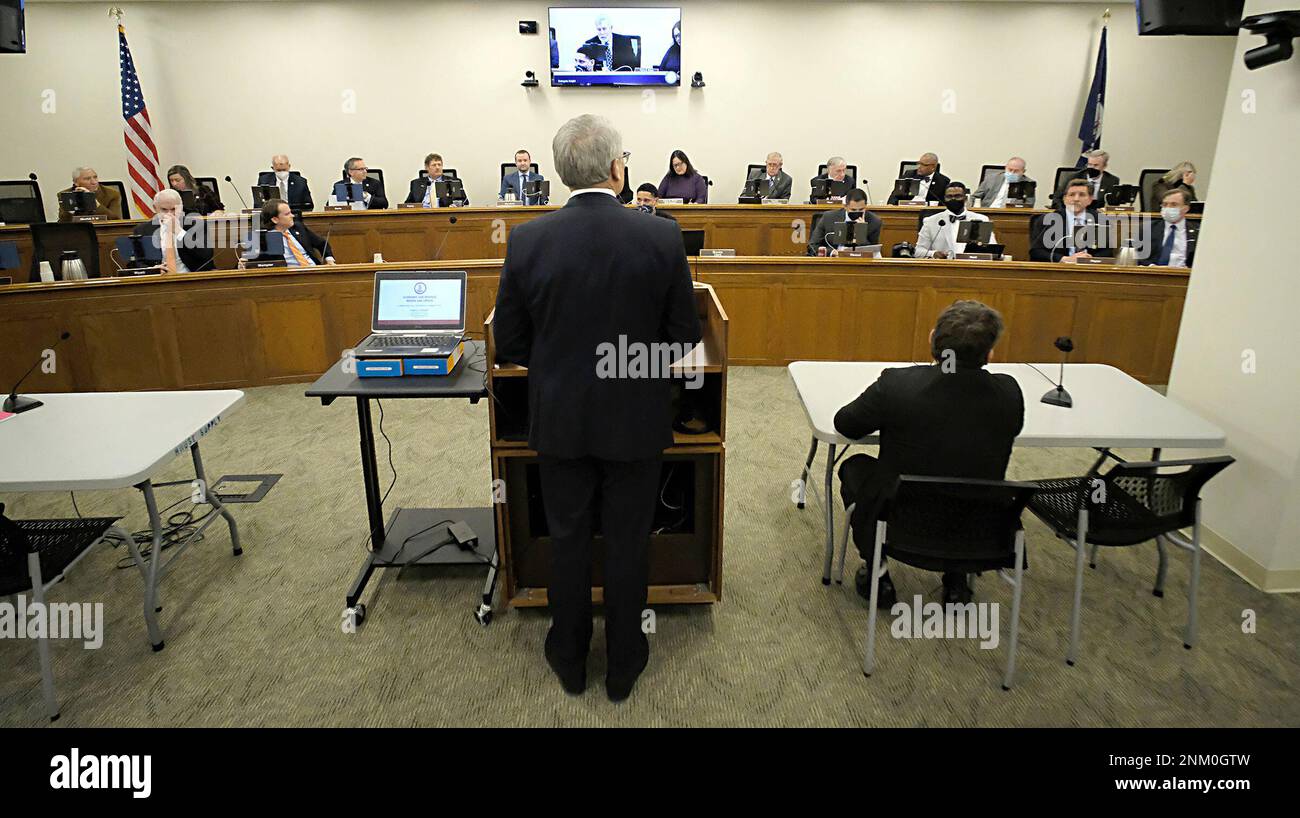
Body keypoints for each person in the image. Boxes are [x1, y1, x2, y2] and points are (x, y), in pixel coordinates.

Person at [492, 114, 700, 701]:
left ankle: (569, 654)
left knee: (568, 536)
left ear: (560, 173)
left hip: (560, 417)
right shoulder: (660, 235)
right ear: (617, 169)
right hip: (635, 417)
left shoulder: (528, 239)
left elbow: (510, 343)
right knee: (630, 539)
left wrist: (564, 368)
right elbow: (682, 339)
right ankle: (626, 660)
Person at [834, 300, 1024, 606]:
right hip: (977, 523)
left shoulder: (898, 384)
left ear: (932, 338)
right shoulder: (1009, 392)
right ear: (990, 353)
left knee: (854, 466)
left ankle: (878, 574)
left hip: (900, 519)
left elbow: (846, 424)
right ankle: (957, 580)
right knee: (961, 473)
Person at [1030, 178, 1115, 262]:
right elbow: (1036, 252)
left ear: (1090, 200)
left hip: (1089, 269)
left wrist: (1089, 258)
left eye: (1081, 195)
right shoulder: (1048, 220)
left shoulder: (1101, 220)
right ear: (1064, 199)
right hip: (1058, 270)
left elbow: (1107, 252)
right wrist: (1064, 259)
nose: (1076, 199)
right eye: (1072, 195)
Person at [130, 189, 213, 273]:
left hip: (192, 278)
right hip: (158, 280)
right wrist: (152, 270)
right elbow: (136, 261)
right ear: (155, 208)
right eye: (164, 210)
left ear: (181, 207)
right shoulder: (142, 230)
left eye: (174, 209)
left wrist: (179, 231)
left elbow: (206, 255)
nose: (170, 214)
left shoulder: (197, 225)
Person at [242, 199, 335, 268]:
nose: (292, 216)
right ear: (275, 219)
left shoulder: (298, 227)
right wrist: (242, 264)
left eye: (290, 212)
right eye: (287, 214)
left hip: (314, 270)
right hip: (289, 278)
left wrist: (329, 259)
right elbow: (250, 263)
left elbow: (322, 243)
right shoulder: (262, 238)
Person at [915, 182, 995, 258]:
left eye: (957, 196)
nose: (953, 199)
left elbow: (993, 249)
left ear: (965, 198)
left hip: (973, 266)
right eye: (949, 197)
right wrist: (933, 253)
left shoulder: (981, 219)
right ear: (944, 199)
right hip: (945, 267)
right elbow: (918, 252)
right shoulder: (930, 221)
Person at [808, 188, 881, 256]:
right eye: (853, 210)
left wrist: (861, 233)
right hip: (833, 261)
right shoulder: (828, 217)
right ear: (845, 206)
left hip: (859, 263)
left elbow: (872, 253)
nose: (857, 212)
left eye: (861, 209)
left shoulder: (874, 222)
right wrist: (832, 252)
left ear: (865, 206)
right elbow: (812, 245)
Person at [1141, 188, 1199, 268]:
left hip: (1184, 276)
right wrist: (1152, 267)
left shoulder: (1198, 232)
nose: (1168, 208)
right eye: (1165, 204)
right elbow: (1139, 257)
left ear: (1186, 208)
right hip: (1153, 274)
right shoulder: (1148, 229)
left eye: (1174, 204)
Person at [57, 167, 122, 222]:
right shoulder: (65, 195)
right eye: (87, 179)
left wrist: (94, 202)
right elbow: (63, 222)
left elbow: (116, 219)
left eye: (95, 177)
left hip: (105, 231)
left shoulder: (112, 194)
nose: (94, 182)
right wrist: (71, 207)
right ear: (76, 182)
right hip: (78, 232)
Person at [1055, 149, 1119, 204]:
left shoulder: (1112, 180)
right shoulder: (1074, 177)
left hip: (1100, 215)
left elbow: (1113, 203)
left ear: (1104, 166)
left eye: (1096, 165)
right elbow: (1057, 198)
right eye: (1090, 164)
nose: (1092, 168)